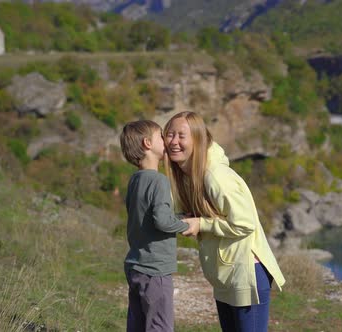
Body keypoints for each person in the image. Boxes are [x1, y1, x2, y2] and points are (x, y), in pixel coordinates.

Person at [163, 111, 285, 332]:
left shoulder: (215, 176)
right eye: (169, 135)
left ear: (198, 139)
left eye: (181, 135)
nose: (173, 142)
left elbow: (245, 223)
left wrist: (202, 224)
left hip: (246, 272)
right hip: (226, 272)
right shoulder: (190, 175)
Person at [119, 119, 193, 332]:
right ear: (147, 143)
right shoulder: (159, 181)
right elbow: (161, 221)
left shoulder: (135, 180)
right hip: (155, 269)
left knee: (138, 325)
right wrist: (186, 224)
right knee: (160, 326)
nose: (167, 141)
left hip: (135, 265)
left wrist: (177, 216)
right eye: (161, 136)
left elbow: (147, 216)